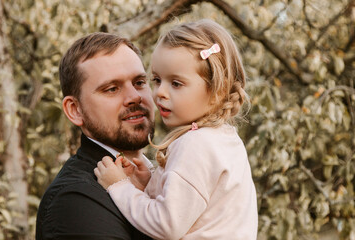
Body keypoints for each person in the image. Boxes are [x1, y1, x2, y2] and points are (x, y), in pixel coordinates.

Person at [95, 19, 258, 240]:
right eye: (157, 80)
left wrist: (119, 186)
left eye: (176, 83)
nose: (160, 92)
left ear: (217, 91)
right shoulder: (224, 139)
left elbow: (167, 225)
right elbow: (195, 209)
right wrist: (151, 184)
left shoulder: (196, 144)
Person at [36, 32, 155, 240]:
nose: (134, 97)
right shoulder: (75, 200)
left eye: (139, 82)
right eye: (111, 89)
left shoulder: (168, 175)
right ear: (75, 110)